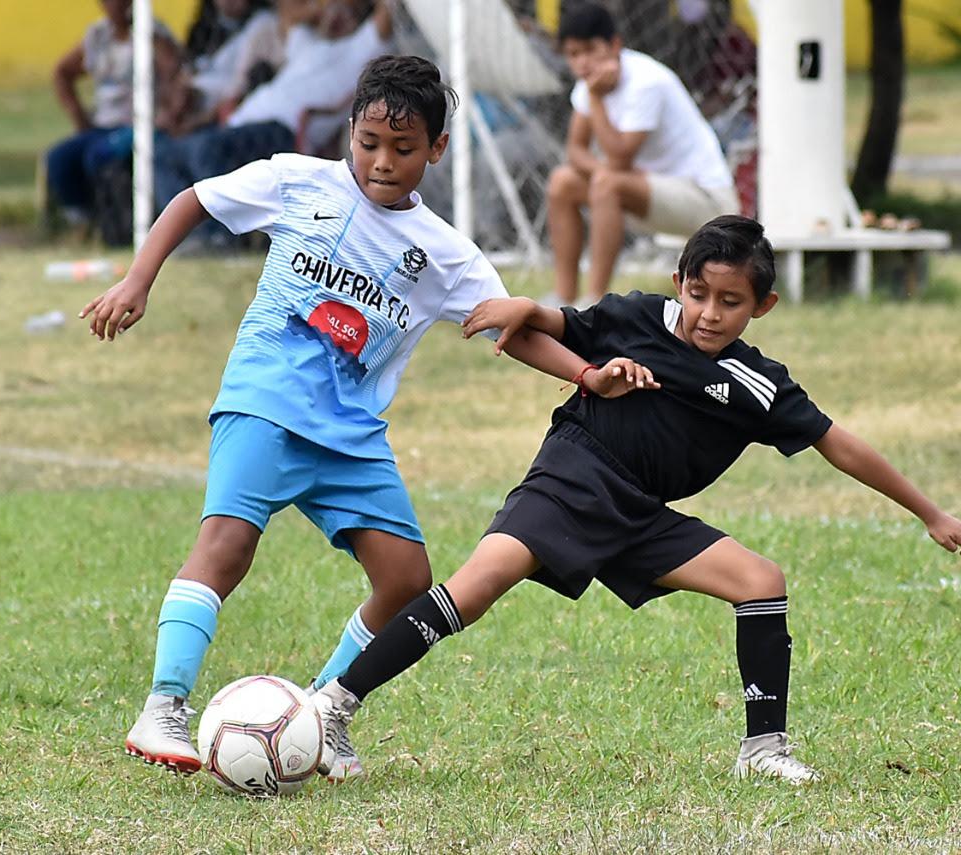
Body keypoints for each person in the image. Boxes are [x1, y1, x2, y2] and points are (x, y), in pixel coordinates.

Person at [81, 54, 639, 782]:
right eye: (369, 142)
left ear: (437, 149)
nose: (381, 162)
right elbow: (195, 199)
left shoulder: (446, 255)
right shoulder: (297, 180)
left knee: (408, 579)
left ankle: (323, 712)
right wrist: (137, 278)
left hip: (350, 435)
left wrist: (586, 373)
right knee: (226, 546)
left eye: (403, 149)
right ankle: (163, 705)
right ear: (350, 130)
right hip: (266, 400)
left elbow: (513, 328)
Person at [309, 215, 961, 784]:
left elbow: (840, 444)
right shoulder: (637, 316)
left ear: (763, 308)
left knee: (760, 580)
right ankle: (334, 705)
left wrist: (931, 512)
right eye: (700, 294)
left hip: (639, 512)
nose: (710, 313)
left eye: (731, 302)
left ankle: (762, 748)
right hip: (573, 476)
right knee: (478, 585)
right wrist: (528, 309)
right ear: (679, 285)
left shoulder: (759, 385)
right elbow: (563, 323)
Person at [546, 2, 738, 307]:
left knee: (607, 183)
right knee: (562, 182)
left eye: (589, 50)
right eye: (573, 54)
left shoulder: (646, 82)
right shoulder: (589, 86)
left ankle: (594, 303)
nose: (582, 63)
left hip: (708, 204)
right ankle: (564, 297)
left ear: (615, 45)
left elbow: (621, 158)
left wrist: (595, 100)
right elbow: (575, 150)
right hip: (646, 192)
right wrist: (602, 172)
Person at [154, 0, 394, 215]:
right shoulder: (309, 45)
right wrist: (322, 10)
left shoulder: (362, 48)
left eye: (346, 13)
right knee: (163, 154)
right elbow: (287, 13)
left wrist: (347, 9)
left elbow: (386, 15)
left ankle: (217, 237)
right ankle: (196, 239)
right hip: (239, 122)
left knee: (204, 150)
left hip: (283, 129)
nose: (337, 16)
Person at [47, 0, 181, 226]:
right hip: (103, 124)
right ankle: (83, 220)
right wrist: (78, 115)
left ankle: (116, 222)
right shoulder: (98, 35)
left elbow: (175, 73)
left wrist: (167, 114)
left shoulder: (154, 35)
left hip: (137, 124)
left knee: (98, 155)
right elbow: (62, 72)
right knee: (59, 158)